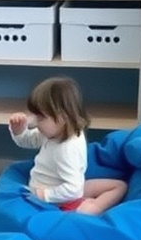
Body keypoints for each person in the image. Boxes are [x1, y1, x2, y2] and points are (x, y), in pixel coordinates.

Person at [7, 76, 127, 215]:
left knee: (119, 186)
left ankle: (93, 207)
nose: (35, 122)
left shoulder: (67, 148)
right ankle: (90, 208)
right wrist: (18, 130)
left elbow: (74, 189)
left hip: (60, 193)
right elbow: (27, 141)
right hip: (54, 197)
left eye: (40, 118)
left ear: (63, 117)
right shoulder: (53, 132)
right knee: (118, 187)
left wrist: (47, 195)